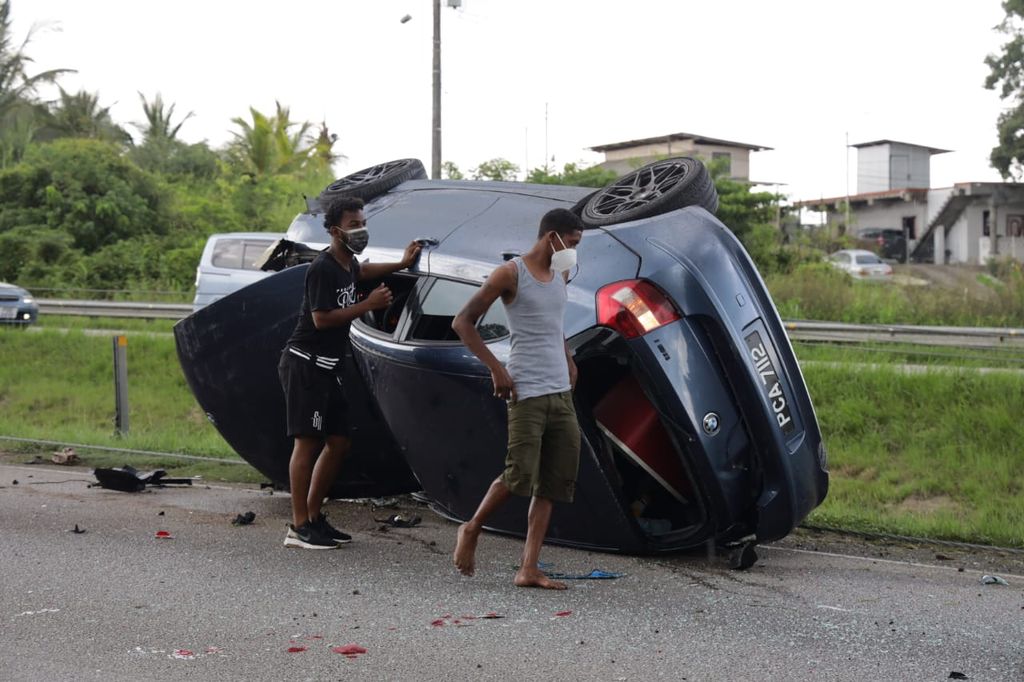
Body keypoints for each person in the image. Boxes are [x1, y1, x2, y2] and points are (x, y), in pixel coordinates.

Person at [450, 207, 583, 589]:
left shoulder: (562, 271)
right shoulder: (511, 274)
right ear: (551, 237)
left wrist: (569, 357)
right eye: (571, 243)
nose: (573, 251)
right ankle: (472, 528)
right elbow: (463, 322)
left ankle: (529, 567)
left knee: (553, 482)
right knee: (519, 473)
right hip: (526, 389)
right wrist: (496, 367)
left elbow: (553, 322)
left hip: (560, 391)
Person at [278, 195, 421, 549]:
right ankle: (298, 527)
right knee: (307, 443)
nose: (361, 229)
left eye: (363, 222)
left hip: (329, 369)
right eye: (354, 224)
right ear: (334, 230)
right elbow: (321, 319)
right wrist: (367, 305)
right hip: (306, 366)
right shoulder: (322, 268)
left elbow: (363, 272)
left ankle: (313, 516)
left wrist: (401, 262)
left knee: (339, 443)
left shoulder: (348, 264)